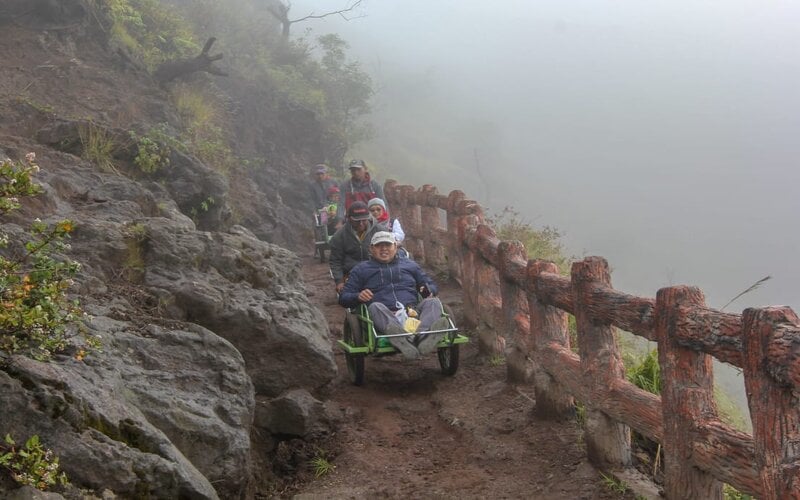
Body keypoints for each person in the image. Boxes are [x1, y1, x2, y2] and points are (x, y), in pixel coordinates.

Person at [339, 231, 450, 360]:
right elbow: (344, 297)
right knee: (375, 306)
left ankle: (421, 335)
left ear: (395, 247)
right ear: (371, 248)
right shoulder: (361, 269)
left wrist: (428, 290)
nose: (384, 248)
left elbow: (432, 286)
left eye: (388, 245)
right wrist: (358, 296)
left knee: (434, 302)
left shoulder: (410, 265)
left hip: (413, 313)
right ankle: (405, 337)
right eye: (379, 245)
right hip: (385, 316)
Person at [329, 201, 388, 293]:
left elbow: (391, 253)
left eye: (364, 220)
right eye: (357, 221)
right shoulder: (339, 236)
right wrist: (339, 281)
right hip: (352, 274)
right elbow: (335, 261)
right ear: (349, 218)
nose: (361, 224)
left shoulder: (381, 231)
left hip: (378, 270)